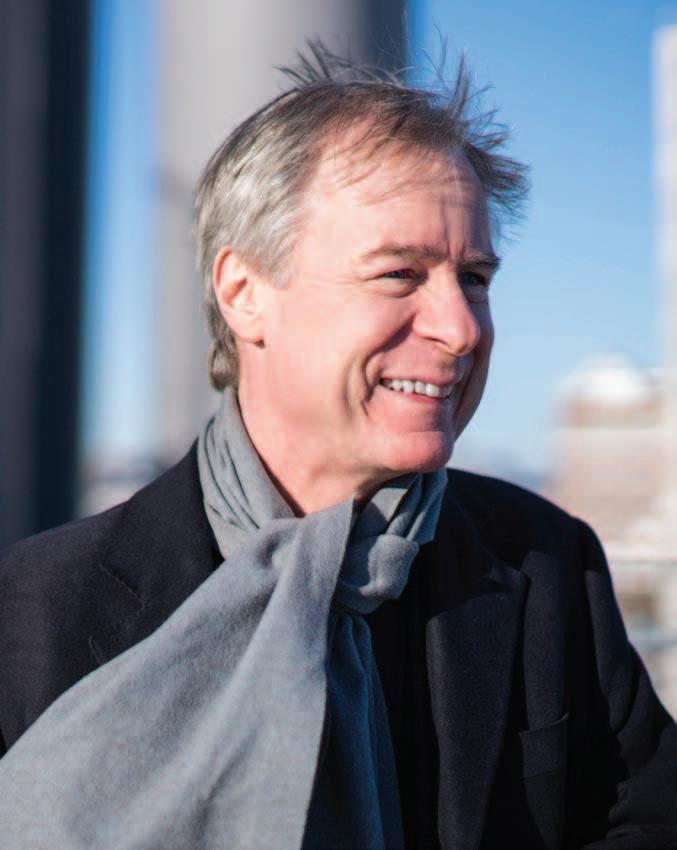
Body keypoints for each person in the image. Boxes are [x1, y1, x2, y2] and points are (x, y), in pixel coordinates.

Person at [0, 43, 675, 850]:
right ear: (244, 293)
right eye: (399, 275)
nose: (459, 328)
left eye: (474, 279)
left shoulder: (547, 564)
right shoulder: (37, 612)